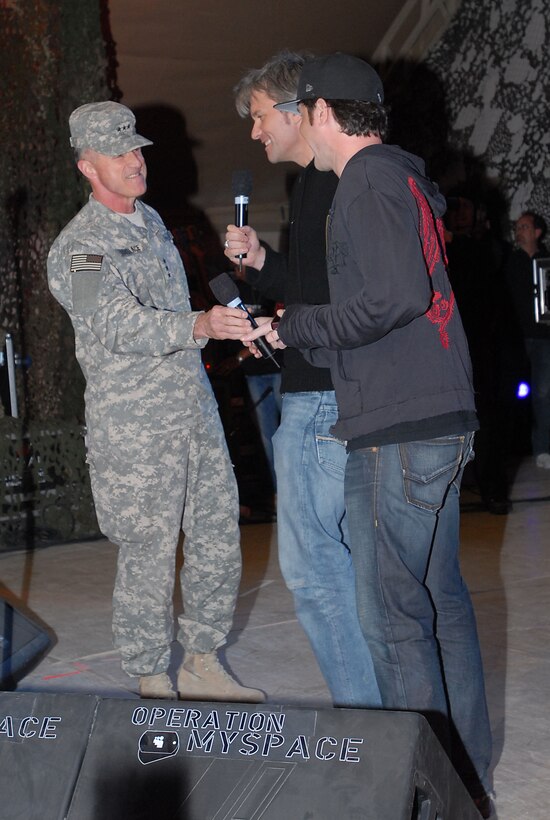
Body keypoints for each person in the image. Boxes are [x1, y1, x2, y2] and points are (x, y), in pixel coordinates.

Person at [241, 53, 493, 816]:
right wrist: (300, 332)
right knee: (437, 602)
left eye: (290, 115)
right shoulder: (401, 176)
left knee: (393, 622)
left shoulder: (368, 181)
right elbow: (394, 300)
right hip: (430, 416)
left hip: (398, 428)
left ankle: (429, 795)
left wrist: (301, 325)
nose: (274, 131)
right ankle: (465, 778)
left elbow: (394, 295)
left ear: (320, 111)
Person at [47, 101, 264, 703]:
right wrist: (200, 326)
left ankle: (203, 659)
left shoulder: (153, 224)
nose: (135, 161)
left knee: (218, 532)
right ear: (87, 166)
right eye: (119, 153)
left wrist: (213, 329)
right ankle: (150, 672)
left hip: (192, 410)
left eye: (137, 149)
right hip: (134, 425)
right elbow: (115, 325)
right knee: (149, 548)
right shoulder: (81, 247)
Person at [224, 51, 380, 708]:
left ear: (299, 110)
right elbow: (316, 288)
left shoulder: (338, 180)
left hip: (321, 402)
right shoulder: (313, 185)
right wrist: (262, 264)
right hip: (334, 394)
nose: (255, 133)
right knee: (352, 575)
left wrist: (290, 329)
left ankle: (374, 730)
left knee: (317, 578)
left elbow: (351, 301)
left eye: (260, 117)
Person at [504, 211, 550, 468]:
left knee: (543, 393)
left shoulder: (546, 260)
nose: (519, 231)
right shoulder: (511, 262)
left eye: (524, 226)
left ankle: (541, 447)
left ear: (537, 232)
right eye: (517, 227)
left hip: (543, 337)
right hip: (516, 337)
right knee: (515, 393)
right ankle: (515, 449)